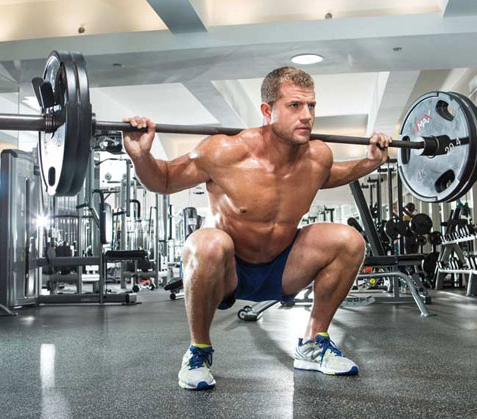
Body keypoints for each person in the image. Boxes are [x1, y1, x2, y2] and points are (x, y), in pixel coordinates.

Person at [122, 66, 393, 390]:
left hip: (283, 268)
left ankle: (312, 343)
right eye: (294, 106)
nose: (307, 115)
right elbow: (163, 179)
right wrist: (141, 156)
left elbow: (331, 175)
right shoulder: (224, 152)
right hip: (229, 271)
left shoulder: (317, 156)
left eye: (311, 106)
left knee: (349, 241)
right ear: (267, 111)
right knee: (206, 243)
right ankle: (199, 352)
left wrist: (370, 163)